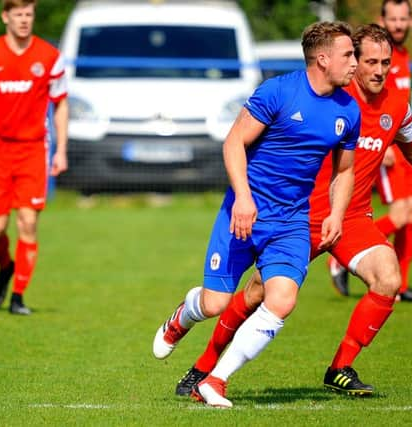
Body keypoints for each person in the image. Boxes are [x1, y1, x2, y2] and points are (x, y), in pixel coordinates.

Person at [172, 24, 412, 406]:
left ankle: (341, 367)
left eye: (385, 63)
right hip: (300, 216)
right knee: (256, 293)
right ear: (348, 61)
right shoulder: (331, 97)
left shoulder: (396, 106)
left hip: (351, 218)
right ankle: (203, 367)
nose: (377, 70)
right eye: (368, 61)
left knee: (388, 276)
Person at [152, 21, 360, 406]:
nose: (356, 63)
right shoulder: (278, 92)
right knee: (215, 303)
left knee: (281, 299)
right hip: (243, 212)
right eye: (349, 54)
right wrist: (244, 199)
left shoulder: (349, 110)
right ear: (322, 58)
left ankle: (215, 381)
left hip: (292, 222)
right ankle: (182, 318)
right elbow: (233, 143)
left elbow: (344, 171)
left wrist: (337, 213)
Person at [329, 0, 412, 302]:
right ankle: (342, 254)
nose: (398, 24)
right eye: (393, 19)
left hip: (396, 140)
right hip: (379, 145)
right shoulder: (376, 54)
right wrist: (380, 140)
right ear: (382, 21)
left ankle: (402, 282)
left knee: (411, 211)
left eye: (404, 19)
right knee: (401, 213)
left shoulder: (401, 55)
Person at [0, 0, 68, 315]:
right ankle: (5, 267)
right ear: (5, 16)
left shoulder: (49, 57)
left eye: (28, 14)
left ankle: (18, 296)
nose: (23, 20)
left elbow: (61, 103)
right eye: (17, 14)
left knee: (28, 222)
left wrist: (62, 150)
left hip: (33, 150)